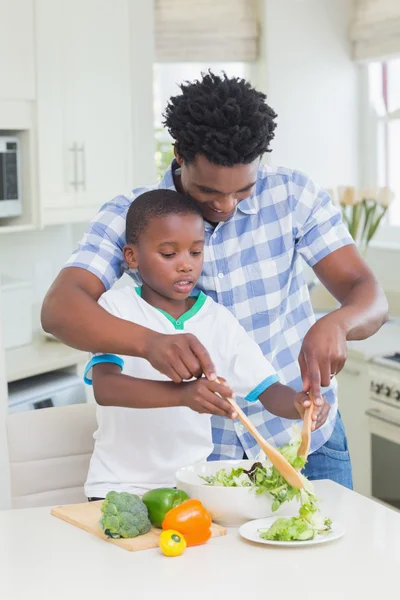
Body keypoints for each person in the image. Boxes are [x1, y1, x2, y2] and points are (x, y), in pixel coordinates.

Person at [42, 72, 388, 489]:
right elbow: (60, 309)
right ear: (179, 155)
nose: (225, 205)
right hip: (200, 469)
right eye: (208, 191)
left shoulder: (292, 195)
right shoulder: (133, 216)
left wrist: (339, 322)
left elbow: (369, 296)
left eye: (243, 191)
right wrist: (149, 344)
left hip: (303, 443)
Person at [83, 188, 329, 499]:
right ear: (132, 256)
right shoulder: (115, 309)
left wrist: (300, 405)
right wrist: (184, 394)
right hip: (117, 489)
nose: (186, 265)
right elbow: (106, 388)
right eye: (169, 254)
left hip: (191, 488)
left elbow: (268, 391)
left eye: (196, 252)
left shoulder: (218, 320)